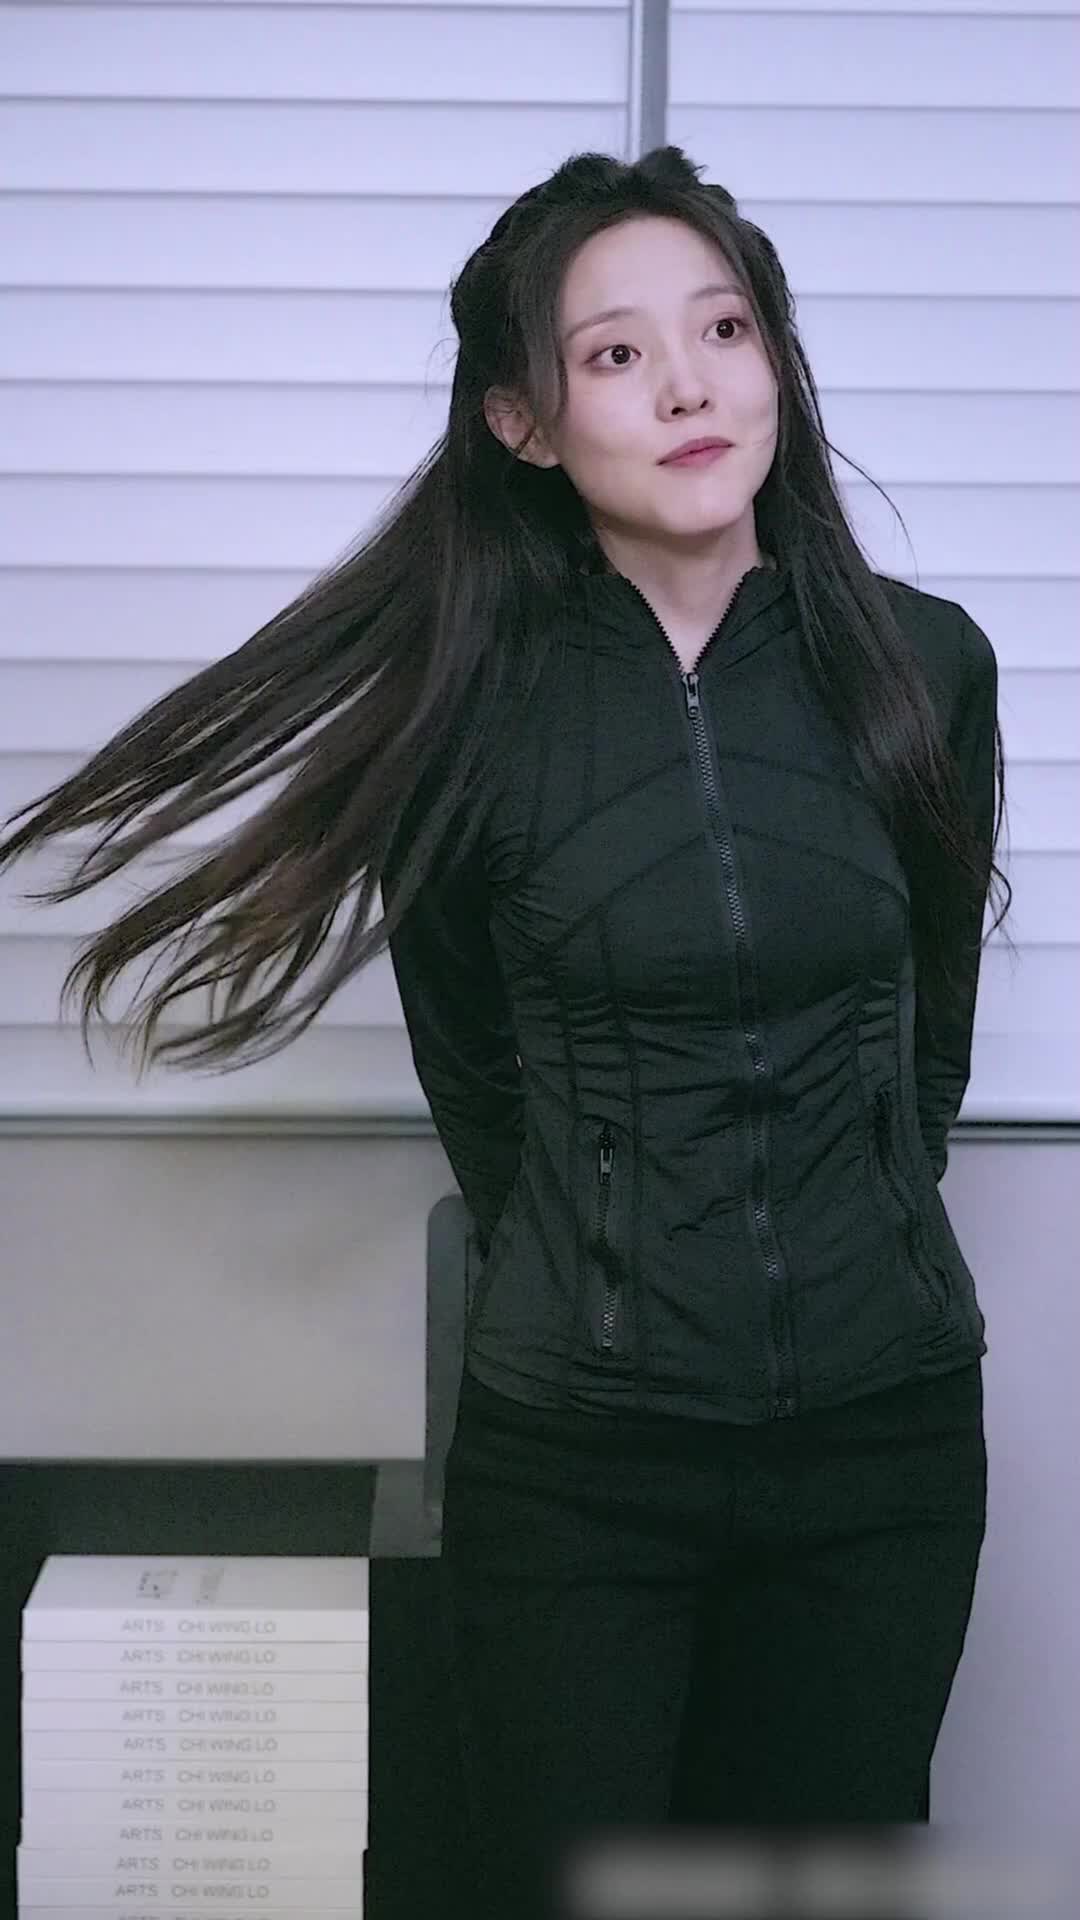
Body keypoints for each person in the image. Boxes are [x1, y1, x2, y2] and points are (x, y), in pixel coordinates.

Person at [0, 147, 1009, 1919]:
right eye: (616, 353)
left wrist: (868, 1235)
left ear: (777, 358)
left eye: (725, 329)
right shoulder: (464, 712)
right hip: (580, 1466)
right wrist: (607, 1267)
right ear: (523, 423)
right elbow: (480, 1078)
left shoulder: (924, 666)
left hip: (882, 1452)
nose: (689, 384)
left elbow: (927, 1041)